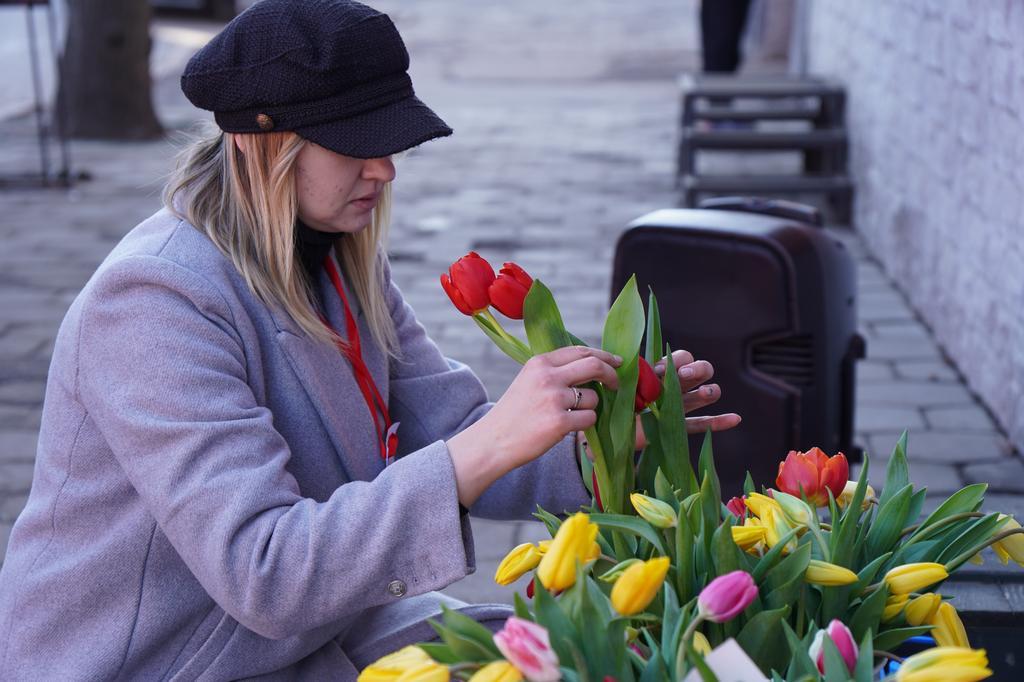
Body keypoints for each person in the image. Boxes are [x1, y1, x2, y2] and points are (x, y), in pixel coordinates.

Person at [0, 1, 739, 679]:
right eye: (358, 144)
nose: (384, 169)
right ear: (266, 144)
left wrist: (601, 439)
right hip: (165, 659)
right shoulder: (156, 301)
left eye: (392, 142)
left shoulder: (335, 256)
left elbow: (451, 431)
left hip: (302, 634)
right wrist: (481, 450)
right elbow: (266, 570)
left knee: (591, 652)